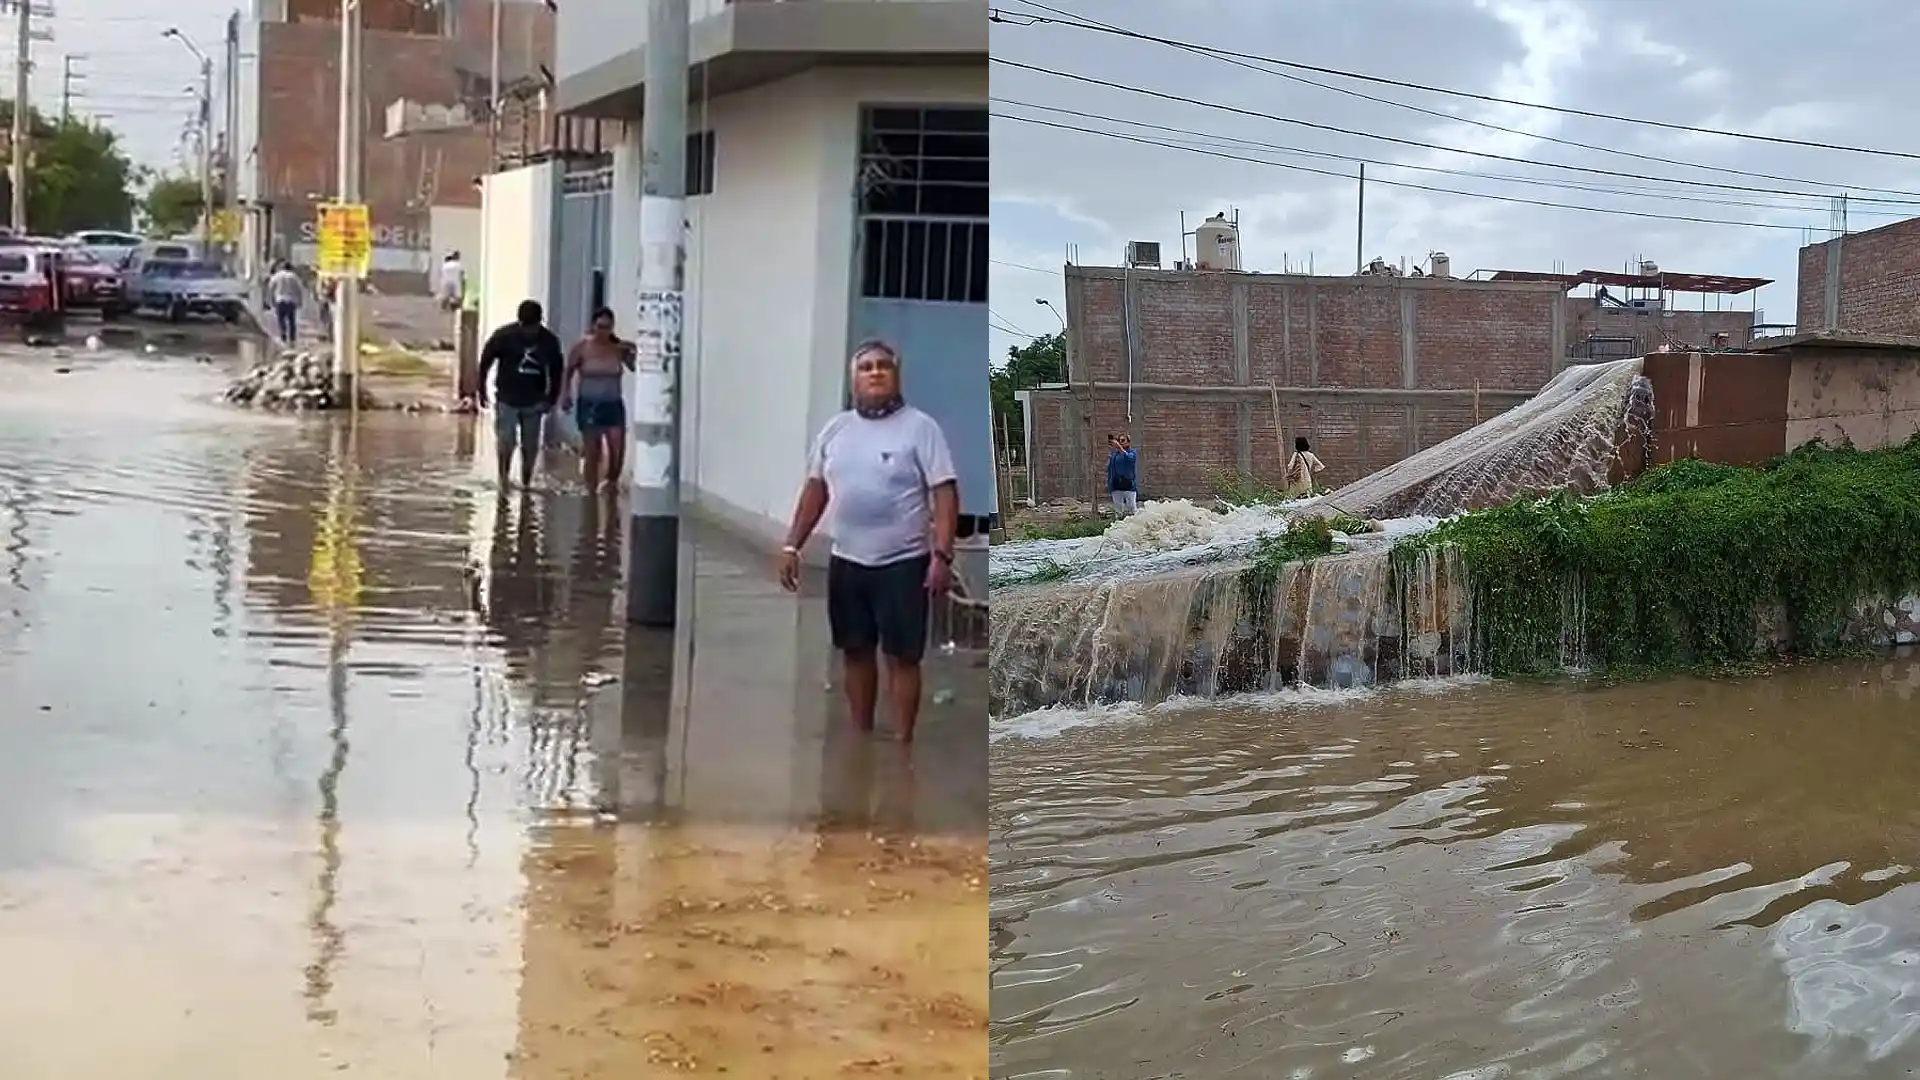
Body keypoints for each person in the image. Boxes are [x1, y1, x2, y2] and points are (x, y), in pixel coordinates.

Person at [777, 339, 959, 744]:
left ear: (896, 375)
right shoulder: (836, 430)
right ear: (853, 379)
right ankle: (861, 738)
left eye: (883, 366)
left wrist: (942, 555)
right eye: (866, 367)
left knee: (902, 656)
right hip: (847, 562)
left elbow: (944, 493)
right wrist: (792, 546)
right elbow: (815, 491)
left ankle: (901, 744)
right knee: (855, 651)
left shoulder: (920, 428)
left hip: (904, 562)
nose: (875, 372)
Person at [477, 299, 566, 491]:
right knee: (506, 441)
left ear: (539, 322)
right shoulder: (504, 336)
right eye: (525, 327)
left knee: (530, 445)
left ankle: (526, 482)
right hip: (507, 398)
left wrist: (552, 399)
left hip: (534, 401)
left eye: (532, 327)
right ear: (519, 323)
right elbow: (485, 361)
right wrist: (481, 390)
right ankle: (503, 479)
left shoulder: (549, 341)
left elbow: (557, 370)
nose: (529, 332)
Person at [559, 306, 636, 493]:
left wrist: (633, 351)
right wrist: (565, 394)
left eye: (608, 327)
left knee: (617, 453)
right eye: (600, 326)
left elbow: (633, 367)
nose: (603, 331)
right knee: (593, 452)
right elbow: (568, 371)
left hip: (613, 404)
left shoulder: (618, 349)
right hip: (590, 404)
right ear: (593, 326)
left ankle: (610, 483)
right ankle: (590, 492)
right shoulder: (582, 348)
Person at [267, 261, 303, 344]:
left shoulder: (277, 276)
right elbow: (298, 289)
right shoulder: (294, 276)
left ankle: (283, 334)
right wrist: (300, 301)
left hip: (280, 300)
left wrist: (270, 300)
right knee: (291, 320)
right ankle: (292, 338)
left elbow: (271, 288)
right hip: (291, 301)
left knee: (281, 319)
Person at [1106, 433, 1138, 517]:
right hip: (1116, 484)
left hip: (1129, 484)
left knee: (1132, 507)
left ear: (1128, 442)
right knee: (1118, 509)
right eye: (1119, 441)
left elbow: (1130, 459)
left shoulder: (1132, 452)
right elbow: (1110, 469)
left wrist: (1120, 448)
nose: (1121, 442)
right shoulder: (1114, 455)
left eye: (1123, 440)